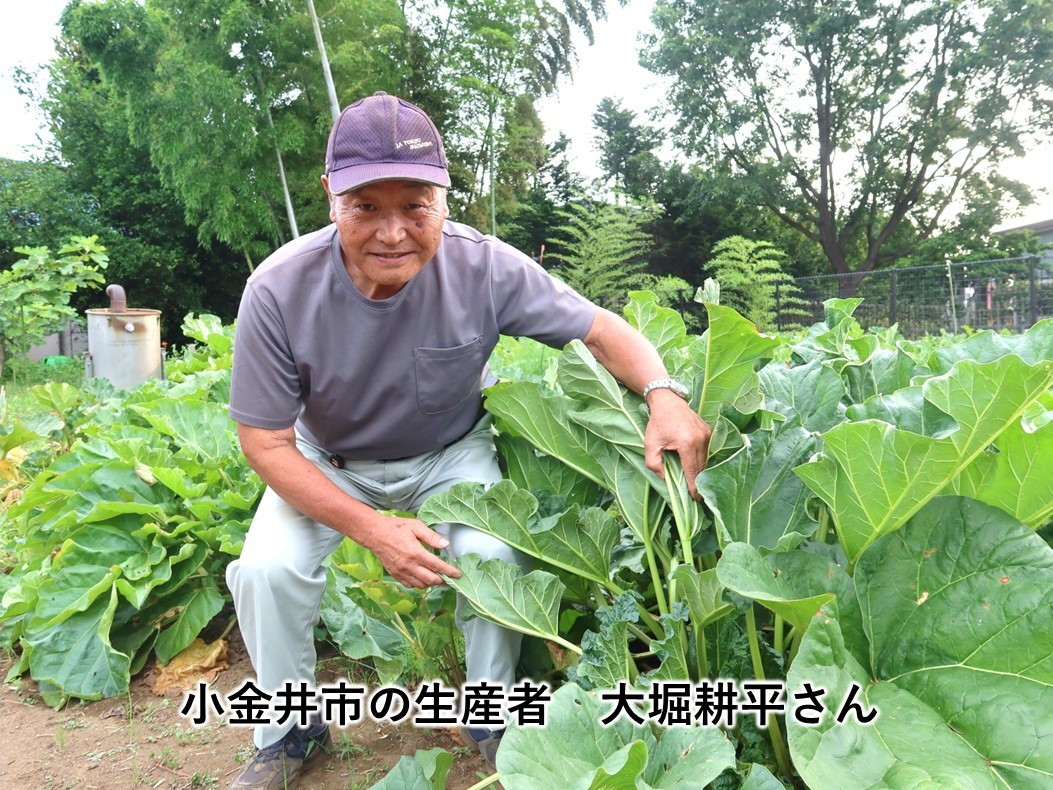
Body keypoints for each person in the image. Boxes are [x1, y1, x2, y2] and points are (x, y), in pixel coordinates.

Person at [224, 91, 712, 789]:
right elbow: (266, 445)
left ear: (444, 200)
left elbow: (602, 330)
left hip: (449, 456)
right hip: (324, 461)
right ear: (330, 196)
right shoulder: (278, 289)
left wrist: (664, 395)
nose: (392, 231)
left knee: (487, 553)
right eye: (366, 206)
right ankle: (290, 729)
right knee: (269, 570)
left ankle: (491, 716)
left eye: (415, 205)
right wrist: (372, 529)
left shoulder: (485, 267)